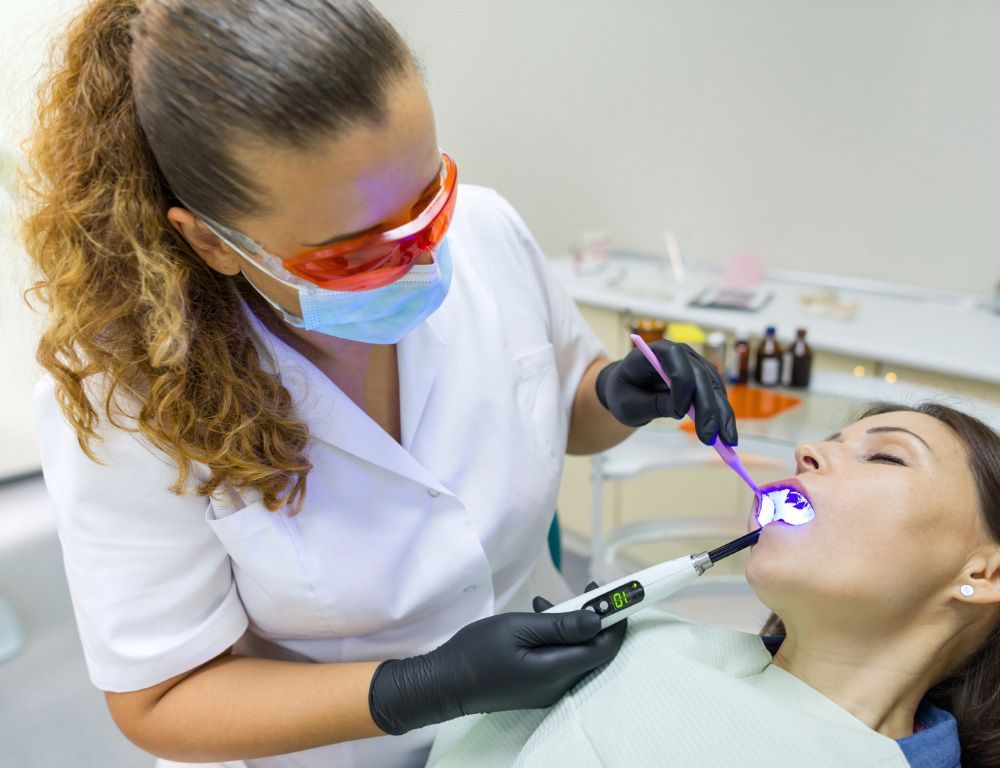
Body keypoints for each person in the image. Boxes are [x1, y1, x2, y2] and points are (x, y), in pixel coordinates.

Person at [20, 1, 737, 767]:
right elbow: (160, 699)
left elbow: (567, 408)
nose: (422, 260)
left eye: (429, 203)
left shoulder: (489, 233)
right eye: (355, 253)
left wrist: (613, 397)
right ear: (212, 242)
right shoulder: (126, 397)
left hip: (545, 728)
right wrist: (419, 687)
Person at [427, 403, 1000, 768]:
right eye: (826, 441)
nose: (807, 452)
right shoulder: (645, 640)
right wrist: (439, 690)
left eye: (885, 456)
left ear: (983, 573)